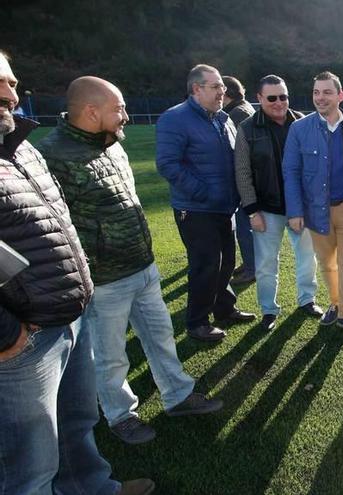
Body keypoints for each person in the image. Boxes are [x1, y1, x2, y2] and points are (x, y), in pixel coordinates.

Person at [38, 76, 223, 445]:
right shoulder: (53, 155)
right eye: (117, 108)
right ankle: (120, 414)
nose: (125, 115)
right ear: (91, 112)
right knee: (109, 356)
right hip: (104, 278)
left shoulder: (113, 144)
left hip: (143, 264)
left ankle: (178, 396)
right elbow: (51, 224)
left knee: (161, 337)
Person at [0, 52, 154, 495]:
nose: (11, 93)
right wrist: (7, 334)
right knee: (27, 465)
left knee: (74, 424)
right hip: (21, 339)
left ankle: (93, 488)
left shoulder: (21, 145)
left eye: (12, 83)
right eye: (0, 84)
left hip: (66, 315)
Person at [156, 64, 255, 343]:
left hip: (225, 207)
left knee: (226, 263)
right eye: (215, 87)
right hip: (197, 209)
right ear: (196, 89)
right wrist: (203, 192)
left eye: (223, 87)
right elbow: (167, 164)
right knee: (205, 265)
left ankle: (224, 308)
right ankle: (197, 322)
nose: (222, 91)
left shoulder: (222, 118)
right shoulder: (175, 119)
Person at [283, 71, 343, 334]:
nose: (320, 97)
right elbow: (290, 172)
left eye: (327, 92)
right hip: (316, 212)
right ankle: (335, 304)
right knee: (327, 264)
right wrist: (294, 211)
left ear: (340, 95)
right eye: (316, 92)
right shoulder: (299, 129)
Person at [234, 74, 322, 331]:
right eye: (271, 98)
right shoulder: (248, 129)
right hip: (266, 210)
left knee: (307, 258)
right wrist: (252, 211)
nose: (278, 102)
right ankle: (268, 310)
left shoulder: (304, 122)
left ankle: (307, 299)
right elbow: (242, 172)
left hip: (301, 208)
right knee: (265, 264)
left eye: (283, 96)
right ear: (259, 98)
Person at [222, 75, 257, 285]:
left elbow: (241, 150)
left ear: (227, 93)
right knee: (245, 225)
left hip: (247, 179)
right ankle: (249, 263)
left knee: (245, 226)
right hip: (249, 177)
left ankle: (252, 268)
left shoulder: (237, 113)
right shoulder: (242, 109)